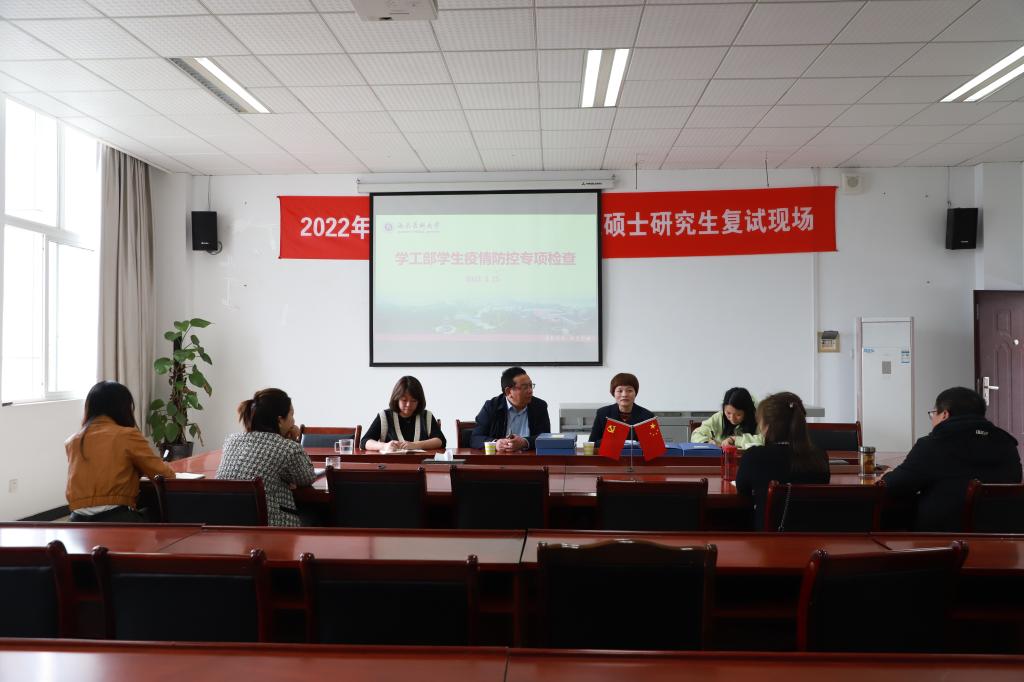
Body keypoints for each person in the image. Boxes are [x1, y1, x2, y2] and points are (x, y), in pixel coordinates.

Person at [883, 387, 1021, 532]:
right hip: (1002, 536)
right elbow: (1014, 480)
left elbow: (894, 486)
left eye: (933, 414)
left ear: (944, 414)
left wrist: (886, 476)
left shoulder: (934, 444)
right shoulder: (1007, 444)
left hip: (942, 538)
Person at [65, 380, 176, 522]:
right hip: (116, 519)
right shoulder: (126, 435)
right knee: (164, 510)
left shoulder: (73, 441)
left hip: (77, 521)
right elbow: (164, 475)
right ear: (123, 408)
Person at [216, 388, 316, 527]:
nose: (294, 421)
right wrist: (294, 441)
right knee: (318, 516)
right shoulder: (287, 447)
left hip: (226, 523)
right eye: (291, 415)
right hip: (270, 526)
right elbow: (307, 478)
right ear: (279, 420)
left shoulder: (231, 440)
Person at [735, 391, 829, 530]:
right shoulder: (820, 457)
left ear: (767, 426)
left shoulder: (754, 457)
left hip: (767, 541)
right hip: (812, 540)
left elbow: (742, 492)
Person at [470, 366, 551, 451]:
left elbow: (545, 437)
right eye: (525, 387)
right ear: (508, 392)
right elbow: (475, 438)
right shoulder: (492, 406)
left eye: (531, 386)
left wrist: (524, 442)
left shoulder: (539, 406)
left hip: (530, 457)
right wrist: (496, 443)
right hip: (500, 458)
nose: (530, 391)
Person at [361, 375, 446, 452]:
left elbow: (440, 441)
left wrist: (415, 445)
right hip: (390, 463)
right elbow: (365, 442)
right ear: (396, 399)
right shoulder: (385, 416)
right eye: (404, 400)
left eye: (413, 401)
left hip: (421, 462)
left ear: (419, 401)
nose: (408, 404)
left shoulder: (426, 416)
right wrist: (384, 446)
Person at [588, 372, 656, 447]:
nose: (624, 395)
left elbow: (654, 446)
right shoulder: (603, 413)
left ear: (635, 393)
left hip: (636, 455)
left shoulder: (647, 416)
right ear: (613, 393)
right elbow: (592, 443)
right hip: (610, 454)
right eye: (620, 391)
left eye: (629, 390)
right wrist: (610, 441)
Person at [691, 387, 763, 448]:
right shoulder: (719, 417)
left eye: (738, 415)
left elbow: (764, 440)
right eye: (728, 413)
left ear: (747, 412)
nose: (732, 418)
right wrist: (707, 442)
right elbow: (696, 434)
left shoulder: (759, 418)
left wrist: (735, 440)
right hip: (722, 459)